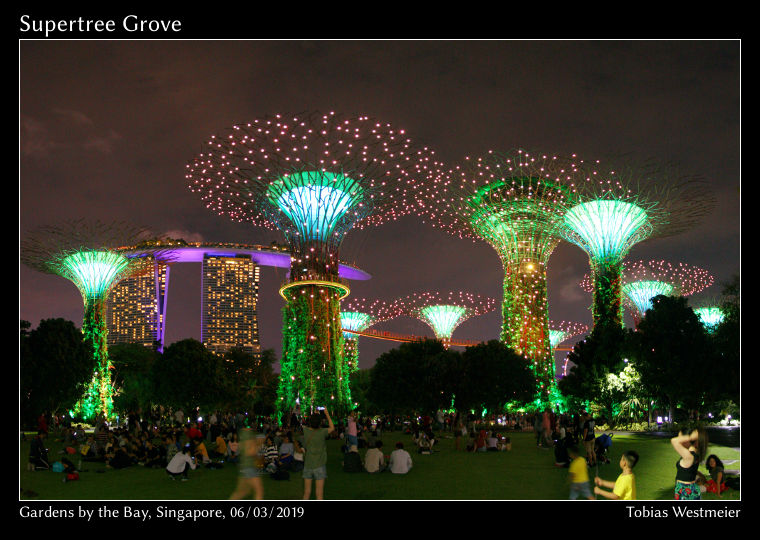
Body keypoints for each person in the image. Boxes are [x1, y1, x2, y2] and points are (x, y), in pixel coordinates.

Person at [302, 407, 335, 500]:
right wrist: (327, 414)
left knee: (306, 492)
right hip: (319, 464)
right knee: (319, 494)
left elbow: (307, 424)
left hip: (308, 464)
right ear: (320, 422)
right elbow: (332, 428)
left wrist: (314, 415)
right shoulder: (323, 432)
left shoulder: (306, 431)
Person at [671, 428, 708, 500]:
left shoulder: (689, 456)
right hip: (690, 490)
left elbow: (674, 441)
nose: (679, 440)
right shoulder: (694, 454)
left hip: (686, 492)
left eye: (681, 438)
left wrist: (691, 437)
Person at [229, 427, 265, 500]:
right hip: (249, 468)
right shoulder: (250, 442)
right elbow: (250, 452)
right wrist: (257, 446)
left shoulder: (242, 442)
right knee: (259, 490)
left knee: (242, 492)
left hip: (243, 468)